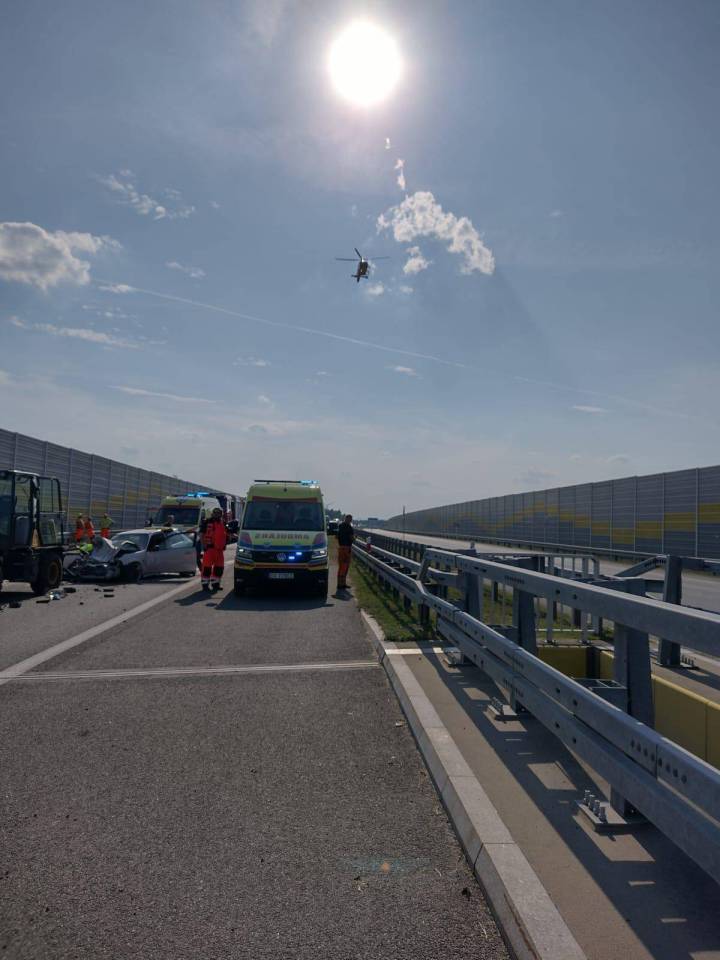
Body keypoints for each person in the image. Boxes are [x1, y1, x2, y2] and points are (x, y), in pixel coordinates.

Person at [201, 507, 227, 592]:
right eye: (215, 513)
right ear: (212, 514)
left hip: (219, 550)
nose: (217, 515)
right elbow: (202, 534)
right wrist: (204, 545)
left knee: (219, 568)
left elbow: (226, 533)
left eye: (218, 513)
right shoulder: (207, 522)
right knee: (207, 568)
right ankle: (205, 585)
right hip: (209, 549)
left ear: (221, 514)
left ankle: (216, 584)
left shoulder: (223, 522)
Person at [336, 514, 354, 591]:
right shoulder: (350, 527)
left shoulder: (340, 526)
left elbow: (336, 536)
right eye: (351, 519)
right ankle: (342, 584)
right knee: (345, 566)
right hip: (347, 548)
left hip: (341, 547)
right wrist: (354, 539)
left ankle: (340, 583)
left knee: (341, 566)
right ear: (349, 520)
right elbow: (351, 538)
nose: (351, 520)